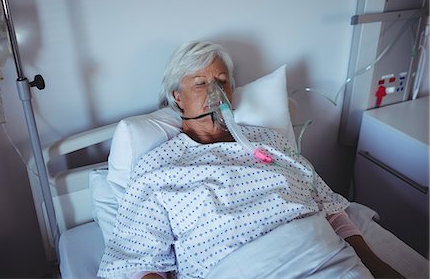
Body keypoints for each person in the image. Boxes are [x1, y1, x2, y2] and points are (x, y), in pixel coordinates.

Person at [98, 41, 403, 279]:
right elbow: (140, 259)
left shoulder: (269, 141)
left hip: (324, 257)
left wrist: (377, 267)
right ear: (177, 97)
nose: (215, 92)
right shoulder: (158, 166)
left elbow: (331, 210)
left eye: (221, 81)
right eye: (200, 83)